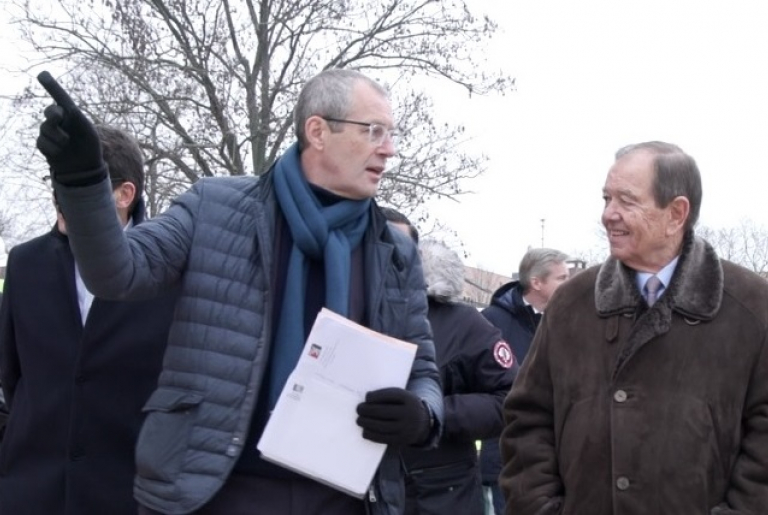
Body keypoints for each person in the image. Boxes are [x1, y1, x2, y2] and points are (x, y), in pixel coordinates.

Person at [34, 68, 444, 515]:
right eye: (374, 131)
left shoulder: (396, 249)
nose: (389, 148)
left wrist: (422, 416)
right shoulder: (214, 205)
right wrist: (83, 183)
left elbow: (421, 366)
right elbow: (118, 273)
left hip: (343, 498)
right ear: (318, 131)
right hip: (215, 492)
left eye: (390, 133)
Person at [500, 141, 768, 514]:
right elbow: (528, 418)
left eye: (626, 201)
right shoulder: (572, 303)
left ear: (676, 213)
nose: (609, 214)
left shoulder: (752, 306)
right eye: (606, 199)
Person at [0, 126, 177, 515]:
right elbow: (12, 377)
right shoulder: (25, 263)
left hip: (126, 496)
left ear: (124, 194)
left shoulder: (171, 272)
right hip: (31, 493)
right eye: (57, 179)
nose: (59, 196)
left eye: (79, 182)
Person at [382, 209, 517, 515]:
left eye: (399, 246)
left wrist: (431, 415)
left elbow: (509, 399)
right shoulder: (341, 308)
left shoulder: (464, 324)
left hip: (440, 495)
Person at [478, 247, 569, 515]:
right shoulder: (491, 324)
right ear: (537, 282)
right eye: (561, 278)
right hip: (505, 458)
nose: (569, 284)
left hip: (557, 457)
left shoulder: (568, 321)